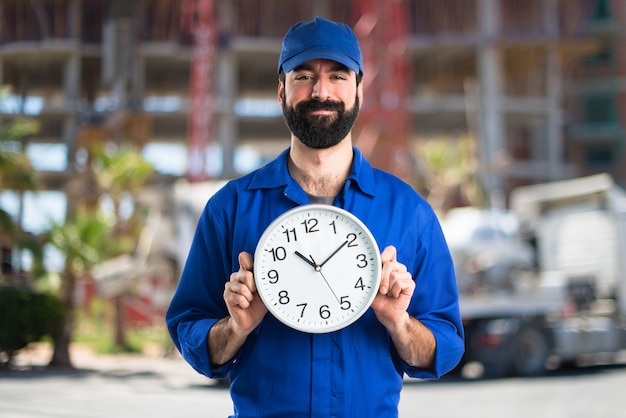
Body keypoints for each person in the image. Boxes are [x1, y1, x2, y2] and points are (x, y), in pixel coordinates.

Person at [166, 16, 464, 417]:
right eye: (303, 76)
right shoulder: (229, 209)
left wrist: (400, 322)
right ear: (281, 91)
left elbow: (443, 348)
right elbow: (191, 332)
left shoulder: (409, 213)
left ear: (360, 89)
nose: (320, 91)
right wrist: (235, 328)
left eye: (338, 76)